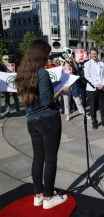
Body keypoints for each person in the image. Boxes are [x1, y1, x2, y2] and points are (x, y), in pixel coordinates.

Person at [15, 40, 69, 209]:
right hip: (48, 120)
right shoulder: (42, 73)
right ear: (41, 54)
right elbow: (46, 101)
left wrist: (50, 87)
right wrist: (60, 90)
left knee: (38, 158)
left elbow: (35, 96)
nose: (48, 57)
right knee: (51, 159)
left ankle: (37, 195)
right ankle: (48, 197)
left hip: (32, 121)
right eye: (47, 53)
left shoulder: (23, 74)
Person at [84, 48, 104, 129]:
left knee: (102, 106)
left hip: (102, 87)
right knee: (92, 106)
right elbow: (87, 76)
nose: (94, 55)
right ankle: (94, 122)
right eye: (92, 54)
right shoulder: (87, 64)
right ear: (90, 54)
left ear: (97, 54)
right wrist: (96, 84)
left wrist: (103, 84)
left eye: (95, 53)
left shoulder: (101, 63)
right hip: (92, 88)